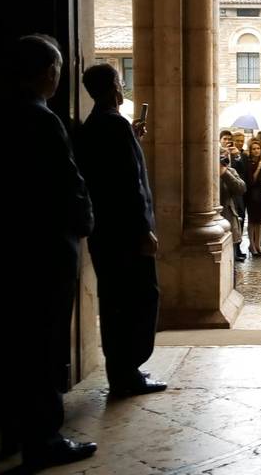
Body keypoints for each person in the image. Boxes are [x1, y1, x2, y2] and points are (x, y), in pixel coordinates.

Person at [0, 34, 96, 467]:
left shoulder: (1, 114)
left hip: (14, 247)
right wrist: (84, 223)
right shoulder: (41, 118)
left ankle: (15, 430)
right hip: (46, 250)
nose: (60, 75)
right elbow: (66, 183)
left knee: (18, 342)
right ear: (46, 71)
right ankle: (45, 439)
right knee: (46, 342)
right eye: (58, 67)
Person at [77, 63, 167, 399]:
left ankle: (121, 370)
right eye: (119, 80)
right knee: (140, 299)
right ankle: (129, 370)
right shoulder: (114, 126)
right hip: (128, 235)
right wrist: (145, 230)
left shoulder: (95, 125)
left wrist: (132, 135)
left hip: (105, 233)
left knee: (115, 300)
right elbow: (130, 185)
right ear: (115, 87)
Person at [244, 140, 261, 256]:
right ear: (250, 150)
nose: (256, 151)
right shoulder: (249, 163)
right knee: (252, 221)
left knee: (260, 221)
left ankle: (258, 244)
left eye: (258, 148)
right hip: (251, 195)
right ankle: (252, 245)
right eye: (253, 149)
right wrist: (258, 167)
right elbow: (251, 180)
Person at [220, 156, 247, 255]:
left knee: (230, 255)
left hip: (227, 215)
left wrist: (225, 173)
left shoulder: (230, 171)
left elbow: (241, 189)